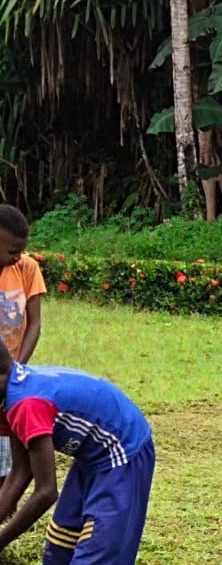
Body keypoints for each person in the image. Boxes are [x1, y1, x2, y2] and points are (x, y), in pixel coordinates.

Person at [0, 343, 154, 564]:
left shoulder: (27, 404)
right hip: (89, 457)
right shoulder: (8, 397)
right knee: (60, 548)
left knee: (99, 552)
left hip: (123, 454)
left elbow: (46, 492)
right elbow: (20, 473)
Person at [0, 205, 47, 489]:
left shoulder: (27, 268)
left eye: (21, 250)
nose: (18, 256)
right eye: (12, 250)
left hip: (9, 377)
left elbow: (34, 323)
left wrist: (18, 370)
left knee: (6, 452)